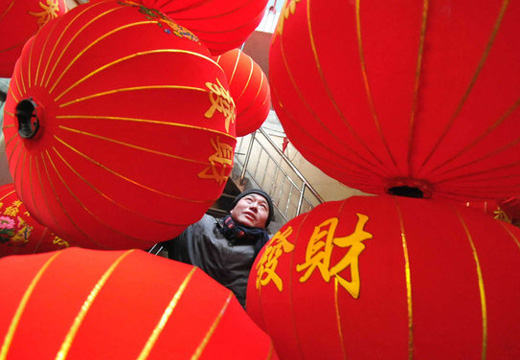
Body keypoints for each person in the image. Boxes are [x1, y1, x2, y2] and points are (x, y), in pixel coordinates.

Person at [161, 189, 274, 308]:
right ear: (232, 208)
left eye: (263, 207)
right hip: (177, 303)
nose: (254, 207)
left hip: (227, 319)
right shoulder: (197, 223)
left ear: (265, 224)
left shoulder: (270, 253)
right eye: (249, 200)